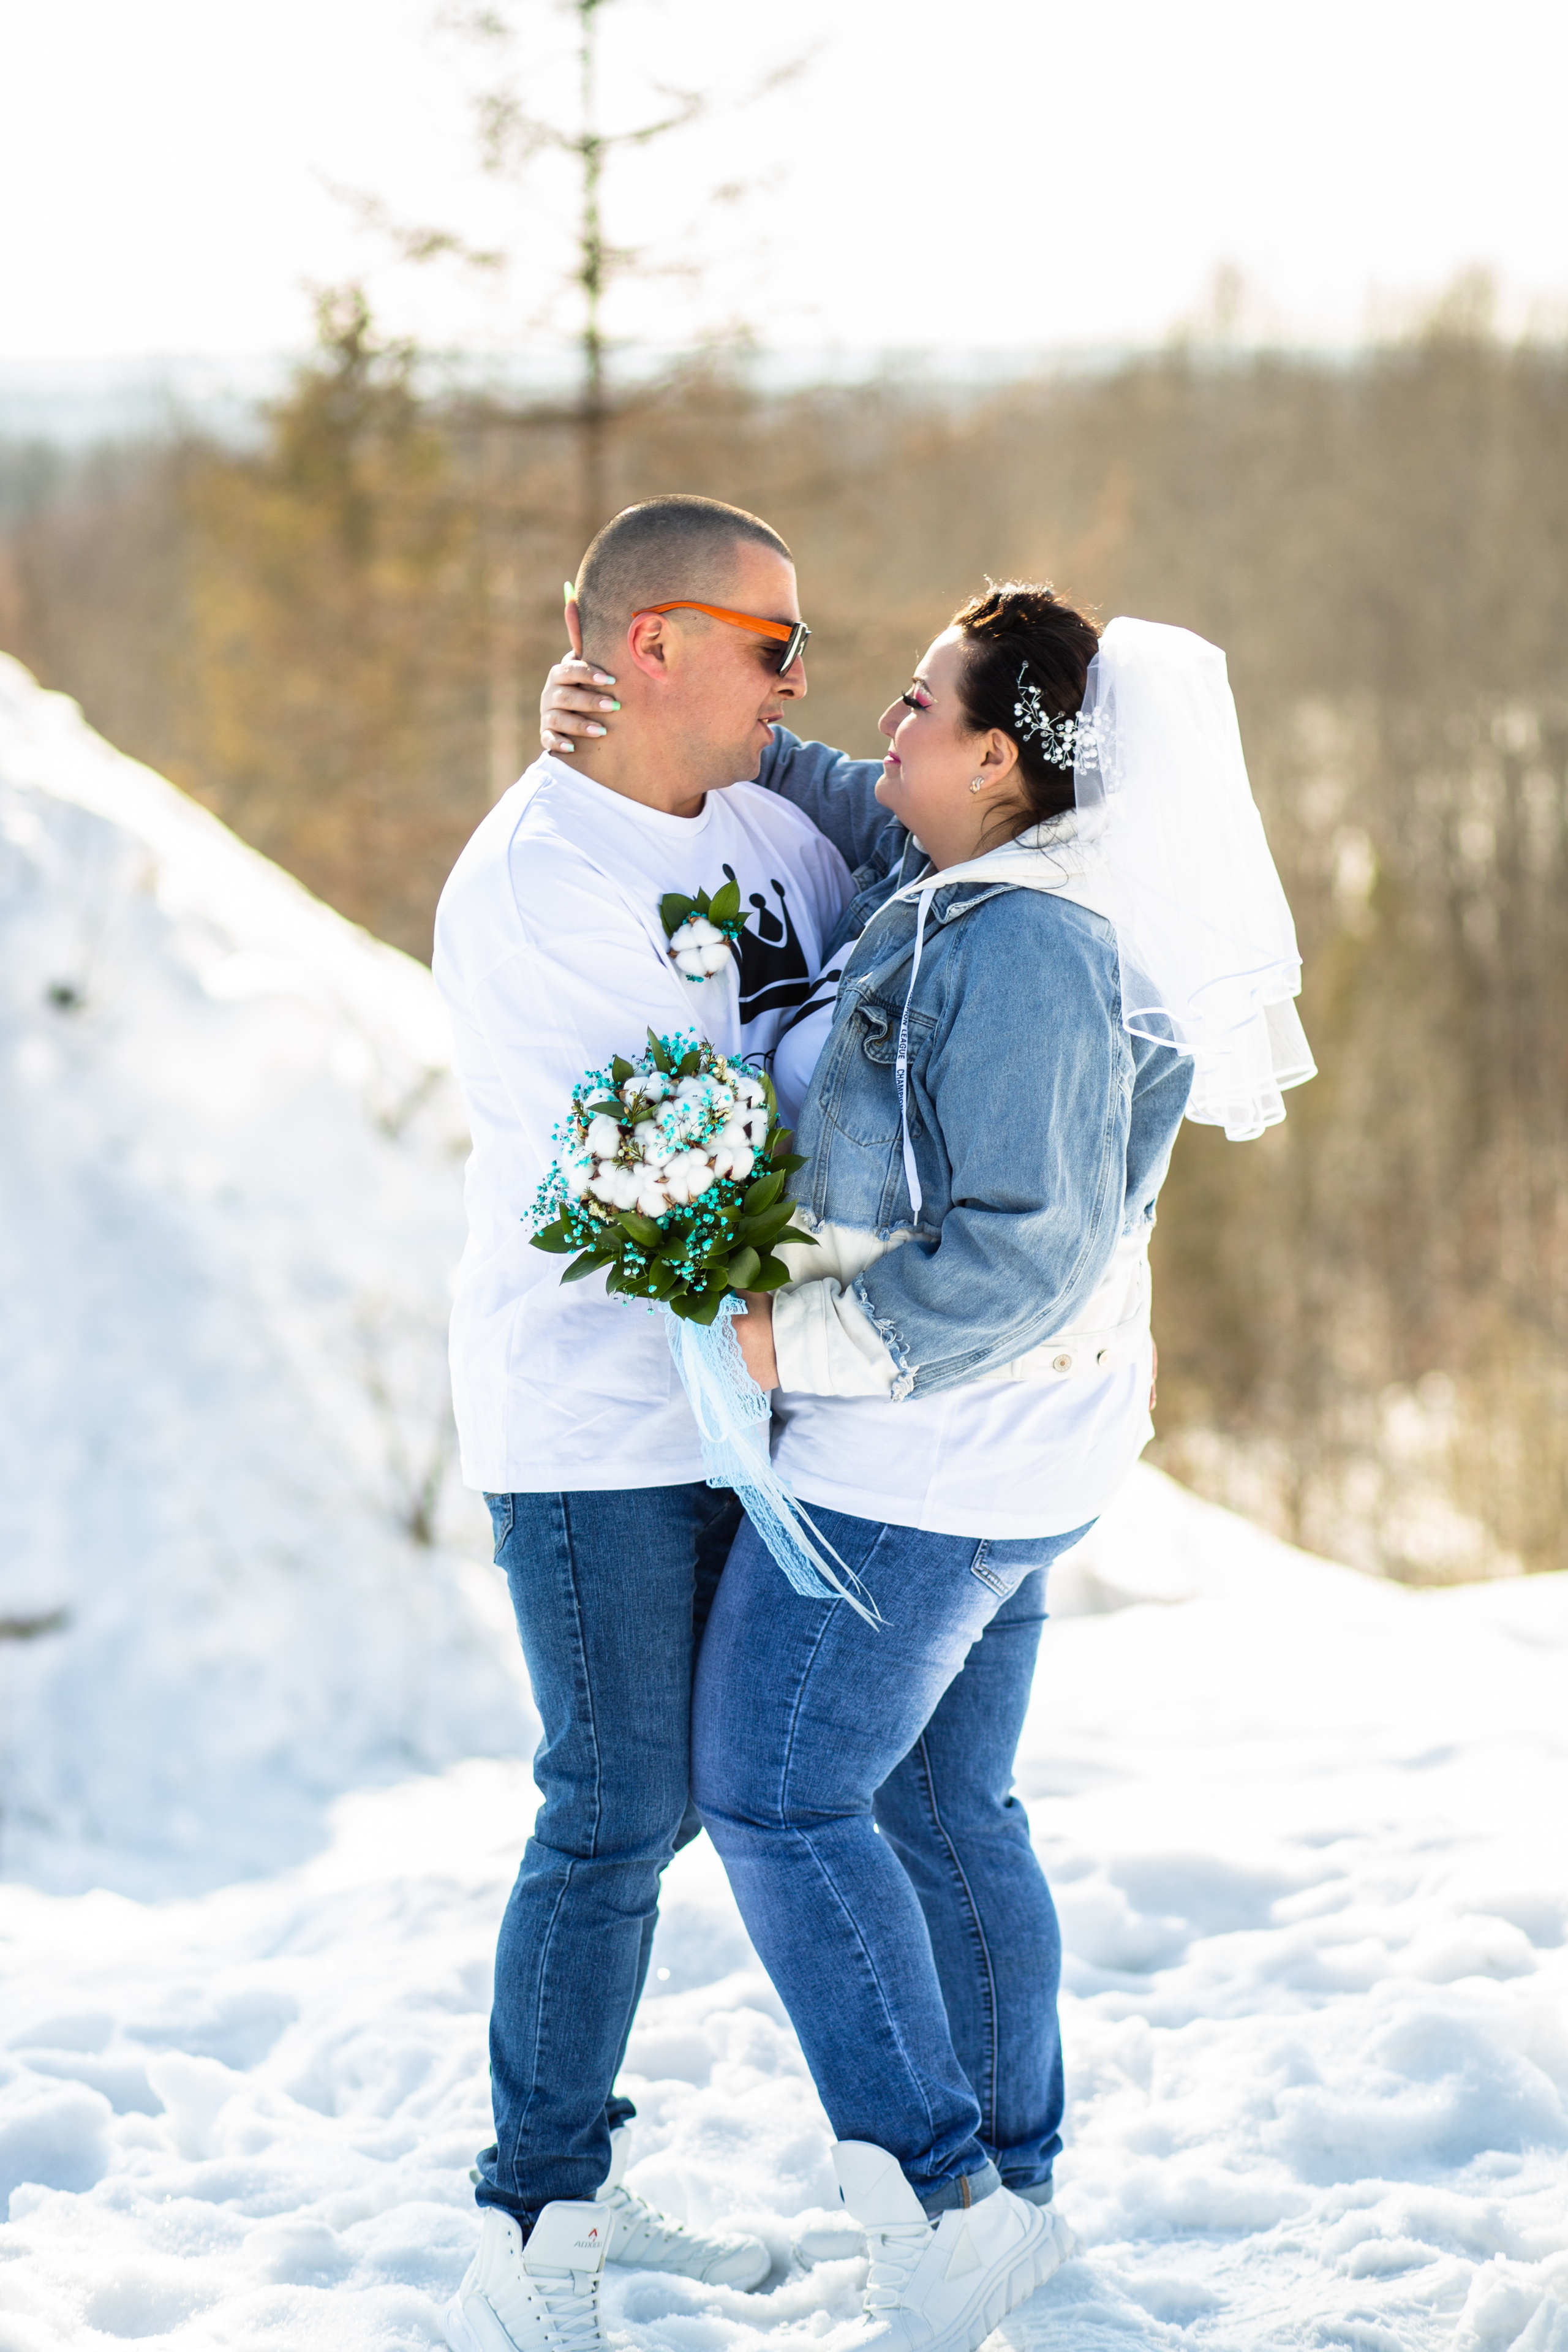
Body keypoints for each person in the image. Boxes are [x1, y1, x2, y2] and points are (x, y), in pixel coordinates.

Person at [541, 582, 1311, 2352]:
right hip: (1006, 1457)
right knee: (948, 1811)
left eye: (916, 705)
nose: (879, 724)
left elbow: (1021, 1253)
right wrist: (677, 724)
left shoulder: (1026, 943)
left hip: (932, 1469)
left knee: (776, 1792)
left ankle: (943, 2202)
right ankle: (1008, 2196)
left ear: (1000, 763)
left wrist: (785, 1344)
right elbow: (841, 784)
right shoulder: (969, 873)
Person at [435, 494, 905, 2352]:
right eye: (773, 645)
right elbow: (656, 1170)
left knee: (704, 1806)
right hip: (597, 1421)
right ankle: (533, 2224)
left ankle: (579, 2164)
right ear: (652, 644)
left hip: (757, 1394)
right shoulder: (536, 883)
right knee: (615, 1806)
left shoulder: (773, 829)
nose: (797, 680)